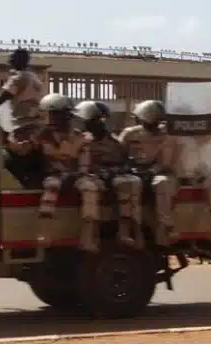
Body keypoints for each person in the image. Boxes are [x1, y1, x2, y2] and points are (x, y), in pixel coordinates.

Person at [75, 100, 144, 249]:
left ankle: (124, 231)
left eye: (100, 120)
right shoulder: (79, 140)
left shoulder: (113, 141)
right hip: (88, 177)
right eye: (93, 120)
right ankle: (90, 236)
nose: (98, 124)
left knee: (130, 183)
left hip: (111, 176)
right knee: (90, 189)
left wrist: (116, 171)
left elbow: (124, 161)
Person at [36, 93, 100, 252]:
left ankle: (87, 237)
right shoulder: (42, 136)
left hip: (75, 174)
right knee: (52, 186)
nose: (50, 118)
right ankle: (45, 232)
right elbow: (38, 160)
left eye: (53, 115)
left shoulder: (81, 137)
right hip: (54, 174)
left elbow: (84, 161)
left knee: (90, 188)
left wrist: (79, 173)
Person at [118, 99, 177, 246]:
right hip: (132, 171)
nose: (154, 125)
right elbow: (118, 154)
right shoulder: (129, 134)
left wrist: (150, 172)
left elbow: (165, 162)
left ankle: (163, 228)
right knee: (131, 185)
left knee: (163, 183)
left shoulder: (167, 137)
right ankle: (136, 231)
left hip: (156, 172)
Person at [0, 49, 46, 155]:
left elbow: (0, 99)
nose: (10, 63)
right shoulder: (35, 78)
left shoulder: (18, 78)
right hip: (37, 126)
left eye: (12, 60)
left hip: (22, 128)